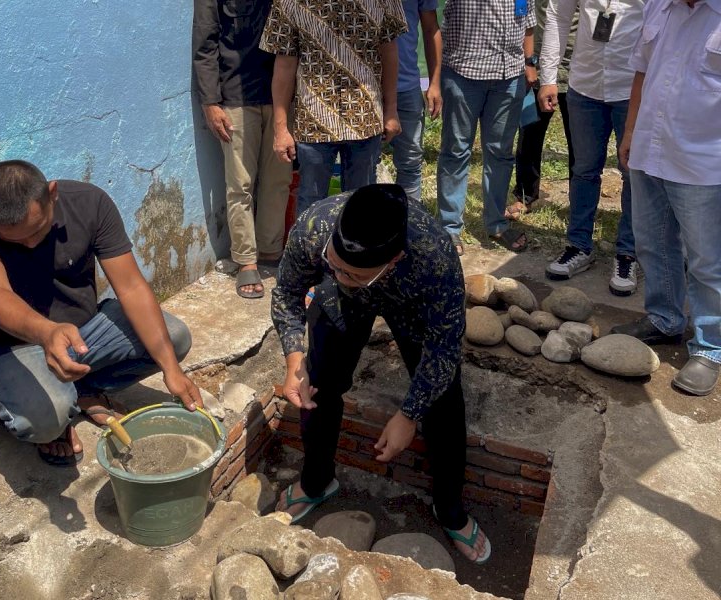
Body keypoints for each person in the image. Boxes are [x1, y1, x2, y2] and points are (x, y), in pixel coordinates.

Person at [271, 183, 490, 564]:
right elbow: (288, 294)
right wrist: (294, 358)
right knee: (318, 383)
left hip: (410, 305)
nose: (341, 276)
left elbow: (444, 348)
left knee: (443, 400)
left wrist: (409, 415)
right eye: (334, 265)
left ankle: (450, 508)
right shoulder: (314, 228)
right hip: (339, 307)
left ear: (394, 260)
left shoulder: (433, 256)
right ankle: (316, 481)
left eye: (354, 274)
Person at [0, 160, 203, 466]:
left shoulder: (89, 202)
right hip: (12, 350)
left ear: (52, 193)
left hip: (84, 335)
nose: (30, 243)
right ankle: (53, 406)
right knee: (45, 419)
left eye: (37, 229)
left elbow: (130, 287)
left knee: (173, 339)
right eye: (14, 240)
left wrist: (171, 369)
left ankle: (82, 391)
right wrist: (47, 333)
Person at [610, 0, 721, 396]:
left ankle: (711, 347)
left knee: (707, 260)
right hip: (650, 149)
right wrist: (630, 131)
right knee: (653, 244)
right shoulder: (659, 5)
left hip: (703, 161)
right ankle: (664, 318)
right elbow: (642, 70)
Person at [259, 0, 408, 216]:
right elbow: (284, 65)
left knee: (362, 205)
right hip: (314, 120)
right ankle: (310, 251)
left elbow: (389, 52)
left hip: (363, 116)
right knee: (311, 207)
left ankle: (357, 251)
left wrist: (391, 110)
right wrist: (280, 129)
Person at [539, 0, 643, 296]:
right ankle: (579, 246)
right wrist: (548, 78)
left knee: (632, 173)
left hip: (631, 89)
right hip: (584, 87)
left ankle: (627, 254)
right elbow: (558, 15)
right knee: (584, 170)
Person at [193, 0, 292, 299]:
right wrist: (210, 102)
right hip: (236, 93)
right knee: (240, 183)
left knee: (279, 181)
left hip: (284, 96)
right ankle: (246, 259)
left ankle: (272, 251)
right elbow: (204, 42)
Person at [436, 0, 538, 256]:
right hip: (463, 73)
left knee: (501, 153)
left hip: (509, 78)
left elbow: (528, 24)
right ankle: (449, 227)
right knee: (456, 151)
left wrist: (529, 62)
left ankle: (496, 224)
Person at [507, 0, 577, 219]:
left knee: (579, 142)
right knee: (529, 134)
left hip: (578, 67)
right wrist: (528, 62)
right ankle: (525, 196)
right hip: (537, 67)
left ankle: (580, 202)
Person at [390, 0, 443, 202]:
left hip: (406, 86)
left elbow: (431, 28)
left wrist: (435, 82)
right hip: (367, 87)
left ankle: (410, 221)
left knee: (410, 163)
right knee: (363, 164)